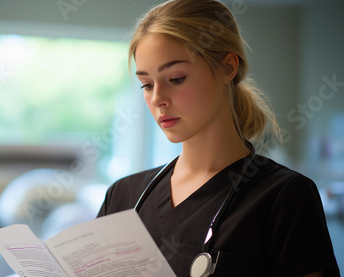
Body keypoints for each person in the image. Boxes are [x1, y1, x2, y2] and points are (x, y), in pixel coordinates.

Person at [97, 0, 340, 276]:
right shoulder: (123, 197)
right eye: (147, 84)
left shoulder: (284, 197)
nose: (157, 99)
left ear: (227, 68)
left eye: (176, 78)